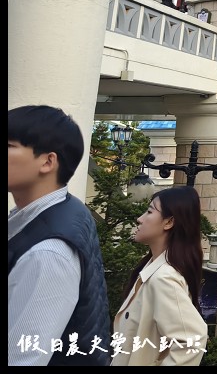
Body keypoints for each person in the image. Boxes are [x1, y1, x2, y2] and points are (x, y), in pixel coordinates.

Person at [8, 105, 112, 366]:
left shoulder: (48, 251)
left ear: (47, 161)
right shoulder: (62, 210)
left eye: (9, 146)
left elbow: (24, 358)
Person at [111, 186, 208, 365]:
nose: (139, 219)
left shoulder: (163, 278)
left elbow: (192, 341)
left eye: (149, 212)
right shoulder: (151, 272)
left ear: (169, 222)